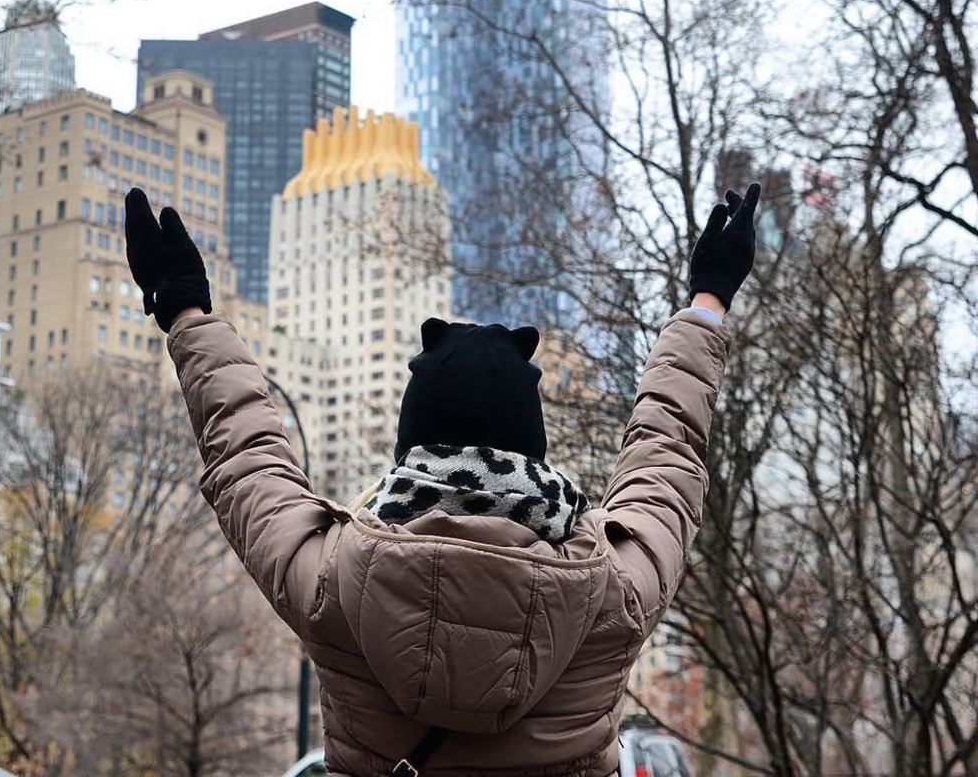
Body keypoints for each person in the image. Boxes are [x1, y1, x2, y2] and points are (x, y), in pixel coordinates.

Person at [123, 182, 761, 777]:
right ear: (533, 451)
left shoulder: (333, 581)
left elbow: (247, 455)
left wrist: (186, 311)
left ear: (411, 449)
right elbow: (667, 450)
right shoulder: (610, 591)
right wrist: (707, 302)